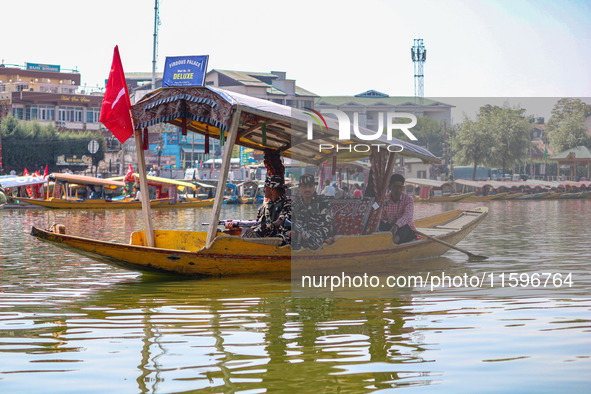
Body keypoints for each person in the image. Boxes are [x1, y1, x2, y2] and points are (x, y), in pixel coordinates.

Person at [227, 175, 291, 246]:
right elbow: (258, 225)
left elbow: (281, 226)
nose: (263, 189)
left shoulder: (287, 205)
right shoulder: (263, 207)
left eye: (265, 187)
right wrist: (238, 227)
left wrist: (254, 230)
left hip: (278, 244)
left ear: (272, 189)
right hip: (263, 242)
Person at [291, 174, 333, 250]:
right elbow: (292, 221)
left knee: (312, 242)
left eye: (310, 186)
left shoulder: (323, 202)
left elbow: (327, 226)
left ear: (314, 187)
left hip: (318, 238)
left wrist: (312, 233)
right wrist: (291, 232)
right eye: (304, 186)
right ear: (300, 188)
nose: (307, 189)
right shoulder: (296, 204)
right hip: (298, 239)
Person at [379, 174, 416, 244]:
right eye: (395, 187)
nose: (398, 190)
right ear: (390, 187)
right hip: (390, 227)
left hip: (404, 229)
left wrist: (396, 226)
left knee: (406, 228)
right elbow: (382, 216)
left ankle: (392, 242)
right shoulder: (385, 199)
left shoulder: (408, 199)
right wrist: (389, 224)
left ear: (403, 188)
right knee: (379, 223)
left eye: (400, 187)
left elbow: (407, 216)